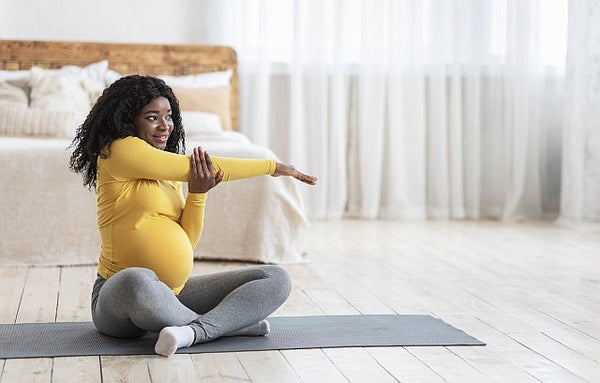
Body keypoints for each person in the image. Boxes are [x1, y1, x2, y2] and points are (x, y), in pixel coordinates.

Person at [69, 75, 317, 357]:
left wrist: (198, 194)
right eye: (152, 118)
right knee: (136, 279)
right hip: (119, 300)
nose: (165, 126)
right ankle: (226, 326)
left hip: (173, 293)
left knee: (275, 277)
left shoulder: (169, 170)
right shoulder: (118, 150)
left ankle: (191, 331)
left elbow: (186, 241)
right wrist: (273, 166)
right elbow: (212, 166)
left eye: (169, 116)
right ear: (128, 120)